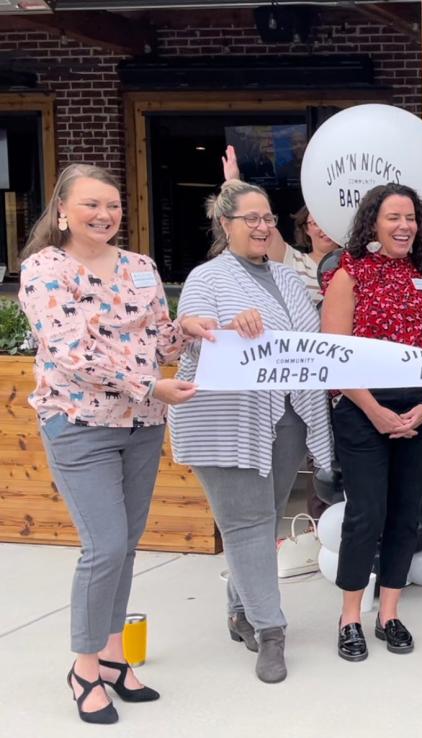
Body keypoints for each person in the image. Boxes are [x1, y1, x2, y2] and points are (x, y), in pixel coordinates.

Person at [18, 164, 196, 724]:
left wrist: (191, 329)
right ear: (63, 210)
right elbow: (71, 351)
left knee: (128, 542)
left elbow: (158, 336)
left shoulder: (139, 267)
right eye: (92, 204)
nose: (105, 215)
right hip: (79, 423)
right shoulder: (44, 270)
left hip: (142, 424)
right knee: (105, 546)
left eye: (113, 205)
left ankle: (115, 659)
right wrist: (150, 383)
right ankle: (84, 667)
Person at [171, 179, 335, 684]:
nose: (264, 227)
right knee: (245, 525)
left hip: (287, 419)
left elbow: (308, 344)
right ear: (226, 224)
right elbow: (191, 333)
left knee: (262, 520)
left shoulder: (287, 280)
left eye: (268, 218)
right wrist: (219, 326)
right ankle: (272, 631)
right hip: (228, 423)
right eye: (252, 219)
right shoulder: (207, 278)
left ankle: (239, 611)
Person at [321, 183, 422, 661]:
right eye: (393, 217)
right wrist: (375, 411)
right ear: (373, 223)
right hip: (362, 413)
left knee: (405, 513)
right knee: (365, 515)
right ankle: (351, 616)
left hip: (419, 413)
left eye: (411, 218)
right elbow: (333, 357)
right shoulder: (349, 273)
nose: (404, 226)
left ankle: (390, 614)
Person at [222, 146, 322, 302]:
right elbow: (264, 227)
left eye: (325, 222)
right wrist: (233, 183)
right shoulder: (293, 260)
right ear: (306, 228)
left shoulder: (352, 263)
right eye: (316, 223)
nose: (323, 230)